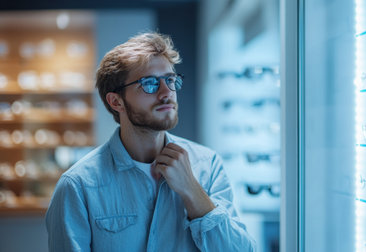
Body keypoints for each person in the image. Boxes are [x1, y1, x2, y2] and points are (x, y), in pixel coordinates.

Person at [45, 32, 256, 252]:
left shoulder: (208, 166)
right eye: (149, 83)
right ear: (116, 101)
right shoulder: (78, 186)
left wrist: (193, 192)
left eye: (170, 80)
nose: (167, 93)